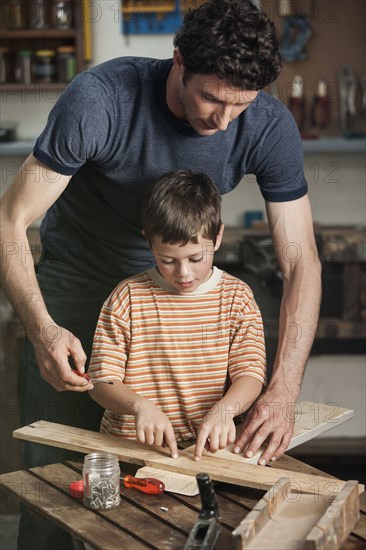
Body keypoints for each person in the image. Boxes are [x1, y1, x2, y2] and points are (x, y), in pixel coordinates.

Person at [0, 1, 321, 548]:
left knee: (171, 485)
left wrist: (282, 388)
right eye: (211, 98)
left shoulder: (267, 124)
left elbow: (301, 260)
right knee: (58, 483)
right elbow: (10, 220)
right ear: (178, 62)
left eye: (238, 106)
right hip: (79, 282)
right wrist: (43, 328)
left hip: (180, 298)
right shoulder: (99, 100)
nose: (221, 121)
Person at [88, 170, 266, 461]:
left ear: (218, 236)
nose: (183, 273)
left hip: (204, 452)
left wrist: (225, 411)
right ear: (149, 243)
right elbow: (100, 382)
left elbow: (250, 374)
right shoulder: (127, 297)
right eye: (167, 260)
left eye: (196, 258)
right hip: (129, 451)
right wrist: (138, 406)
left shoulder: (237, 297)